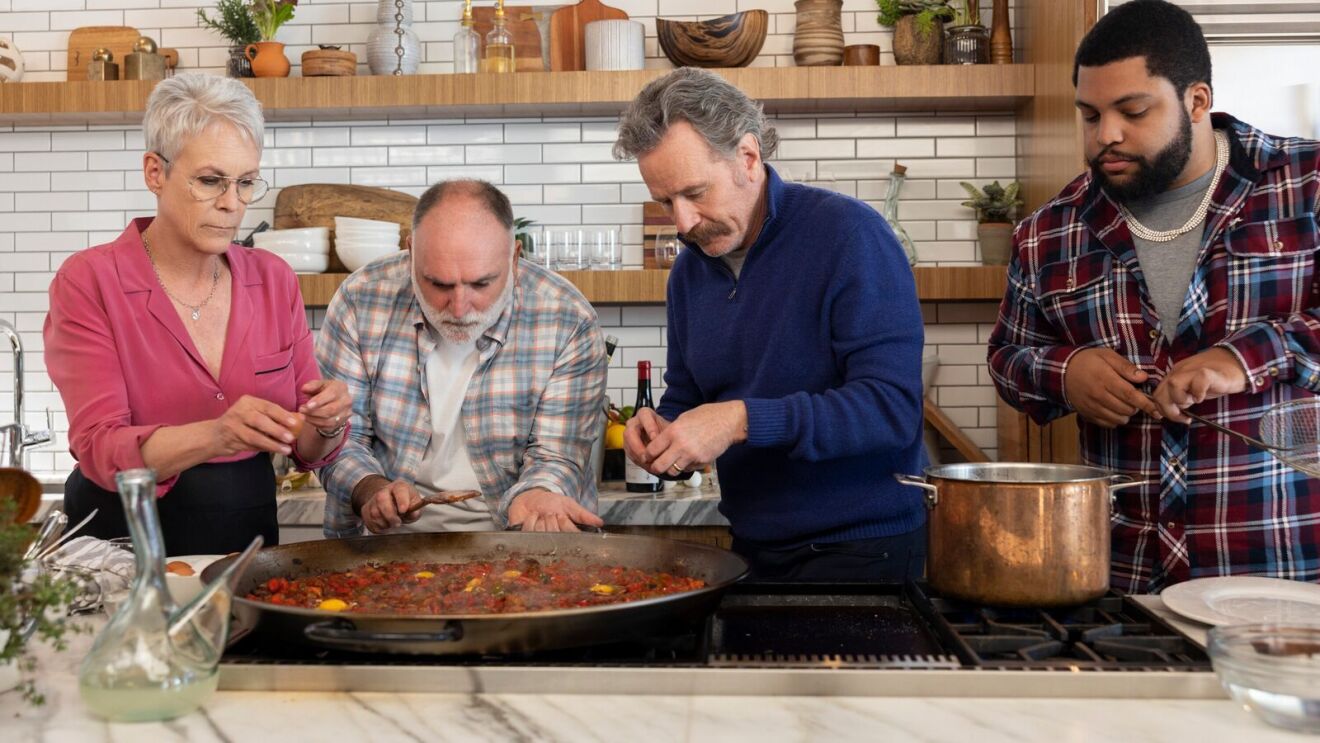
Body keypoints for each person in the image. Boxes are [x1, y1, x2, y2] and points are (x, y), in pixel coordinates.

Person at [988, 0, 1320, 593]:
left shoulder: (1305, 184)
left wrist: (1241, 361)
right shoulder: (1049, 232)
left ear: (1197, 101)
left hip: (1287, 572)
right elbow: (1010, 357)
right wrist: (1066, 373)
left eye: (1132, 111)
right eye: (1089, 115)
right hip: (1121, 582)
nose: (1106, 135)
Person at [612, 68, 928, 582]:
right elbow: (689, 395)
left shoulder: (849, 235)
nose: (683, 222)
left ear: (748, 157)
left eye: (695, 192)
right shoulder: (688, 272)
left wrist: (738, 421)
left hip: (867, 550)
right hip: (752, 546)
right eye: (666, 201)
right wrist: (664, 433)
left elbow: (891, 409)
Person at [44, 74, 351, 556]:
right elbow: (100, 448)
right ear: (155, 172)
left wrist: (328, 421)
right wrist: (217, 434)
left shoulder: (273, 280)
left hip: (244, 536)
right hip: (122, 540)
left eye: (246, 182)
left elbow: (306, 445)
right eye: (210, 181)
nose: (232, 204)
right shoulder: (90, 281)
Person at [316, 179, 608, 536]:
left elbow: (557, 454)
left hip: (518, 545)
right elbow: (339, 438)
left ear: (515, 259)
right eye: (438, 284)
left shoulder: (567, 318)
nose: (458, 307)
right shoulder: (360, 301)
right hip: (384, 551)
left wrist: (538, 493)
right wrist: (369, 489)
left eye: (481, 284)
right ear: (411, 254)